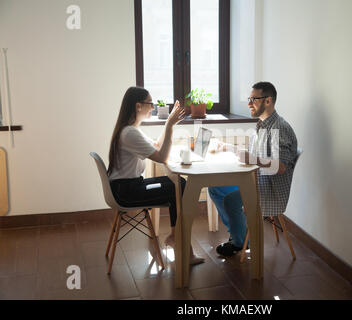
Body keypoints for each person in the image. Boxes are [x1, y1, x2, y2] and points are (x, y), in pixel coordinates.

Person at [107, 86, 204, 265]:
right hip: (127, 192)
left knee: (178, 183)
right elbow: (161, 157)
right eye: (150, 103)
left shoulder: (131, 129)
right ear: (138, 106)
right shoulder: (129, 133)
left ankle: (177, 238)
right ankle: (180, 242)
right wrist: (168, 125)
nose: (152, 107)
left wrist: (170, 123)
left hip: (127, 186)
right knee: (179, 185)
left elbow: (158, 146)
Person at [208, 82, 298, 256]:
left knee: (230, 200)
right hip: (256, 181)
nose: (249, 103)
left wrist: (252, 158)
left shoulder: (279, 128)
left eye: (253, 99)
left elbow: (280, 167)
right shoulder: (263, 125)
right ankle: (240, 237)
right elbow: (253, 156)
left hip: (270, 189)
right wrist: (227, 147)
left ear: (268, 101)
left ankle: (239, 242)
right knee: (216, 188)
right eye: (249, 99)